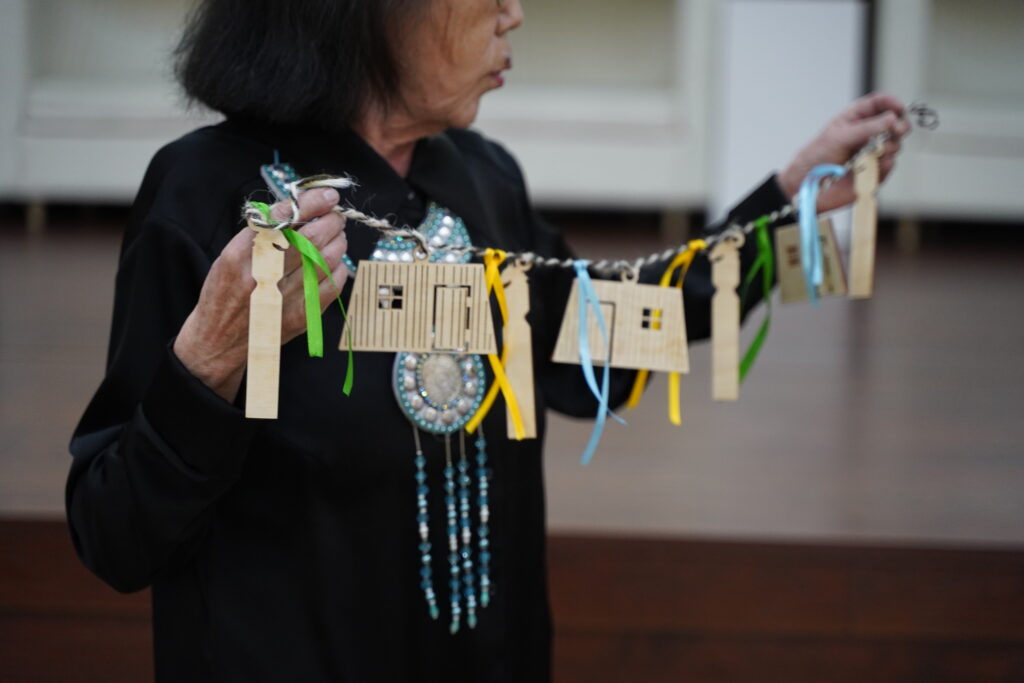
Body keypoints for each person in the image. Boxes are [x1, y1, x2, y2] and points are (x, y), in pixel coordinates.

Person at [66, 1, 911, 681]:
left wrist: (784, 205)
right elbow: (114, 533)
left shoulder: (479, 177)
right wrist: (207, 362)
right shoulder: (209, 198)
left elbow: (604, 342)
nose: (514, 14)